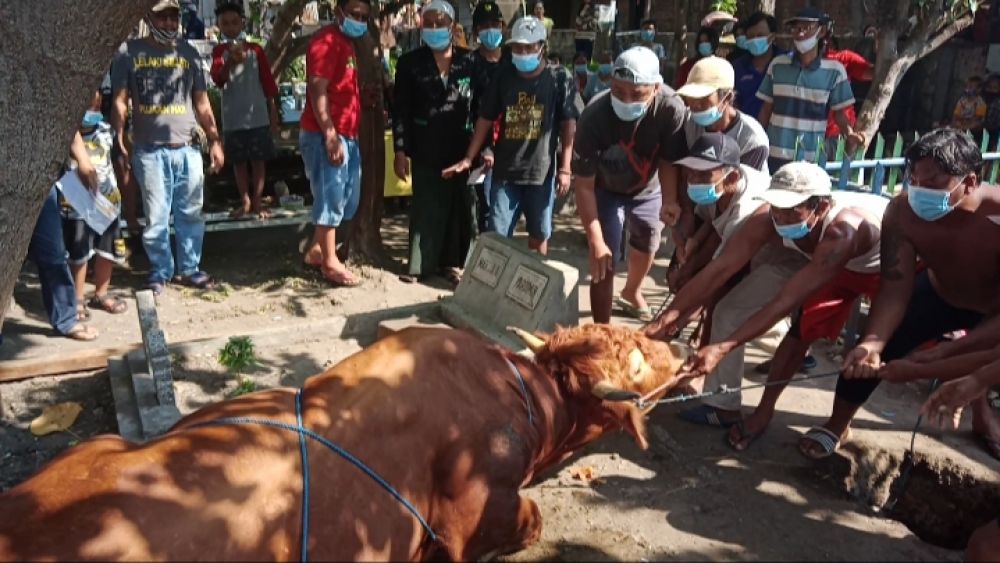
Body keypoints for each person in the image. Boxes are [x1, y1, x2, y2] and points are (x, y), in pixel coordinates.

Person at [646, 162, 888, 451]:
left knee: (861, 350)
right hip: (811, 260)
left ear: (821, 206)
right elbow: (719, 270)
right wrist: (664, 321)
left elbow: (784, 301)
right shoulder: (767, 219)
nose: (779, 216)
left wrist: (720, 348)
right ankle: (723, 406)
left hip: (879, 270)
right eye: (775, 207)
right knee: (733, 312)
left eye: (790, 209)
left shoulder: (843, 231)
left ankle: (819, 422)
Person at [828, 128, 1000, 461]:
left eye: (934, 183)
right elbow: (895, 287)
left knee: (981, 365)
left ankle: (983, 417)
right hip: (938, 292)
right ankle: (837, 423)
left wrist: (943, 357)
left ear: (971, 182)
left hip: (994, 312)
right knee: (868, 355)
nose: (920, 190)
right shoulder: (903, 212)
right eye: (915, 179)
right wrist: (873, 343)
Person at [443, 16, 584, 256]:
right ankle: (494, 289)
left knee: (539, 235)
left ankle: (534, 287)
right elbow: (485, 118)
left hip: (541, 173)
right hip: (506, 173)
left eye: (529, 47)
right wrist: (469, 157)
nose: (523, 52)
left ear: (542, 47)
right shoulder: (504, 75)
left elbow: (568, 124)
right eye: (517, 47)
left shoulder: (559, 78)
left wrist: (566, 168)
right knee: (497, 236)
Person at [111, 0, 224, 295]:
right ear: (149, 17)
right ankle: (160, 271)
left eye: (173, 17)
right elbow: (120, 99)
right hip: (149, 150)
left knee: (191, 212)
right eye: (163, 18)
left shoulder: (188, 53)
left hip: (187, 147)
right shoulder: (129, 53)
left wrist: (214, 140)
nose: (169, 24)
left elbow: (201, 102)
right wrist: (119, 135)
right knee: (157, 215)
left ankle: (189, 269)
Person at [573, 46, 686, 323]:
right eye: (618, 92)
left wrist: (670, 200)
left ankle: (632, 291)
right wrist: (594, 239)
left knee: (648, 239)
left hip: (649, 188)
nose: (626, 100)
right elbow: (584, 186)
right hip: (604, 189)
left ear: (656, 88)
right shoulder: (593, 116)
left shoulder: (671, 109)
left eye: (636, 94)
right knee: (603, 257)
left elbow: (669, 160)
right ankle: (602, 327)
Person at [393, 0, 477, 286]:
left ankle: (453, 264)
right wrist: (400, 150)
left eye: (439, 23)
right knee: (426, 206)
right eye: (428, 23)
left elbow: (482, 107)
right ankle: (418, 265)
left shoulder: (470, 61)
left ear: (452, 27)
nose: (433, 28)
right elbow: (401, 110)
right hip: (425, 146)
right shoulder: (409, 63)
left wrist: (482, 148)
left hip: (462, 147)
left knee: (458, 207)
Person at [299, 0, 372, 287]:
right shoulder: (326, 42)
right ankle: (330, 262)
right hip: (326, 134)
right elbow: (317, 88)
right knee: (331, 197)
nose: (359, 20)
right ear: (339, 12)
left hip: (347, 134)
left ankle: (317, 250)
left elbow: (338, 87)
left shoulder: (346, 43)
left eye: (364, 16)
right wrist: (330, 134)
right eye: (354, 14)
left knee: (347, 200)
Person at [666, 133, 770, 318]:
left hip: (766, 259)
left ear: (732, 178)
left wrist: (672, 319)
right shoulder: (718, 187)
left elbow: (719, 270)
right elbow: (712, 220)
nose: (695, 180)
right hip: (732, 247)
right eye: (691, 173)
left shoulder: (745, 208)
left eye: (704, 174)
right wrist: (694, 244)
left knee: (723, 310)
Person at [756, 7, 863, 171]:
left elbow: (840, 114)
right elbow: (766, 110)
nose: (799, 34)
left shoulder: (835, 71)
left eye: (806, 28)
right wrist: (756, 140)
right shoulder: (777, 65)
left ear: (822, 31)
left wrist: (849, 134)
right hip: (775, 153)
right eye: (796, 28)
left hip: (810, 157)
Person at [211, 1, 281, 220]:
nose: (230, 27)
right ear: (219, 25)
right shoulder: (219, 52)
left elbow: (268, 83)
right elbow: (218, 81)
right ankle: (245, 201)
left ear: (242, 22)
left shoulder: (256, 50)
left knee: (258, 161)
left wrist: (273, 113)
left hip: (258, 117)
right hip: (233, 118)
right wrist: (229, 62)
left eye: (234, 22)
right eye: (225, 23)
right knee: (239, 162)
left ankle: (258, 200)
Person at [61, 93, 128, 320]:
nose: (89, 109)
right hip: (75, 205)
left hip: (106, 203)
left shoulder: (107, 131)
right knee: (79, 253)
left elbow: (118, 161)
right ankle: (77, 298)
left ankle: (101, 293)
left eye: (93, 104)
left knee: (106, 250)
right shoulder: (63, 136)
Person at [677, 56, 769, 173]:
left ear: (727, 98)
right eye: (691, 96)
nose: (696, 104)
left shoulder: (751, 138)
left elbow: (745, 185)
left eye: (703, 97)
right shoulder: (686, 122)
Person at [469, 0, 508, 235]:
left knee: (505, 210)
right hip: (482, 151)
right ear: (475, 31)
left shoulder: (513, 62)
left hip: (512, 148)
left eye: (495, 24)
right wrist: (484, 148)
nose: (491, 29)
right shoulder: (469, 63)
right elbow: (471, 110)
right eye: (484, 25)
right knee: (485, 207)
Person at [823, 36, 873, 155]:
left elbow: (873, 72)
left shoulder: (843, 59)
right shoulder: (800, 61)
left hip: (839, 134)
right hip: (813, 132)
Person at [731, 11, 780, 120]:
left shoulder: (785, 63)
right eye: (751, 36)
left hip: (778, 132)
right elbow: (733, 103)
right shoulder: (737, 67)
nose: (754, 40)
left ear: (772, 37)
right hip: (747, 132)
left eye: (760, 35)